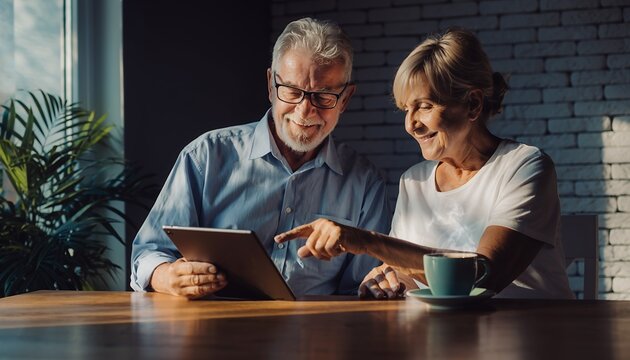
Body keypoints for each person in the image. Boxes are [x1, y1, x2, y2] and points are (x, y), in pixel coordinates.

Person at [275, 28, 574, 300]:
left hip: (528, 336)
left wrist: (368, 242)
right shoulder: (413, 181)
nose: (411, 125)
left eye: (425, 107)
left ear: (473, 104)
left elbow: (483, 276)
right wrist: (388, 277)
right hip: (449, 339)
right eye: (406, 109)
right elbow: (409, 271)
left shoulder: (525, 167)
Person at [130, 17, 391, 298]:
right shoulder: (206, 156)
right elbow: (148, 253)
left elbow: (361, 291)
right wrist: (166, 276)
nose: (305, 111)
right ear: (270, 85)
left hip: (314, 336)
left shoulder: (365, 182)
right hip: (212, 333)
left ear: (346, 99)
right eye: (292, 91)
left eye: (323, 96)